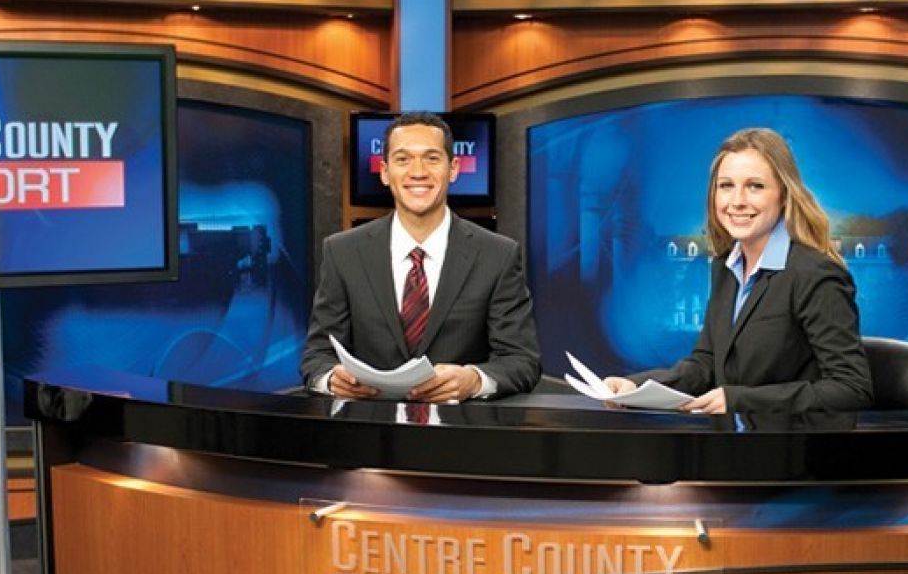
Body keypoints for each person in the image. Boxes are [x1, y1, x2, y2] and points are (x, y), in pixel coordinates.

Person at [604, 127, 871, 413]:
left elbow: (851, 389)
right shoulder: (725, 267)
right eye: (726, 186)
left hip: (790, 449)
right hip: (734, 445)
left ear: (783, 194)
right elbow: (705, 363)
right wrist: (637, 386)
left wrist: (739, 400)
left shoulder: (815, 274)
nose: (737, 201)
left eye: (755, 186)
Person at [301, 111, 540, 402]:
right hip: (368, 436)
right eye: (403, 159)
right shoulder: (342, 252)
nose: (418, 172)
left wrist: (474, 380)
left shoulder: (498, 255)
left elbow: (522, 360)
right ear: (385, 172)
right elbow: (317, 356)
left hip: (459, 436)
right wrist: (331, 379)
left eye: (431, 158)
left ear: (453, 169)